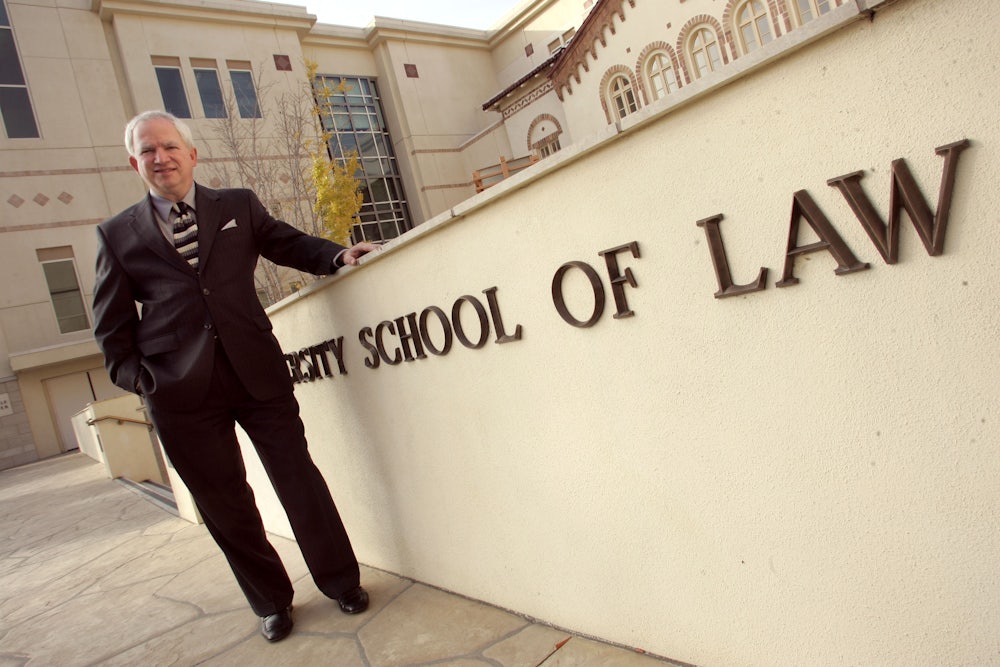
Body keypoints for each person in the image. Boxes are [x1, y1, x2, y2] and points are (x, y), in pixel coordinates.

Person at [92, 110, 378, 642]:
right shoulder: (116, 236)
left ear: (191, 154)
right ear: (135, 162)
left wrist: (337, 255)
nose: (162, 157)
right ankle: (271, 601)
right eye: (149, 150)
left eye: (170, 146)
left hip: (257, 372)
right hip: (180, 395)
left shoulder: (238, 205)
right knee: (226, 503)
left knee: (299, 478)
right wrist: (143, 383)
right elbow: (110, 329)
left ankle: (340, 581)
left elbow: (286, 243)